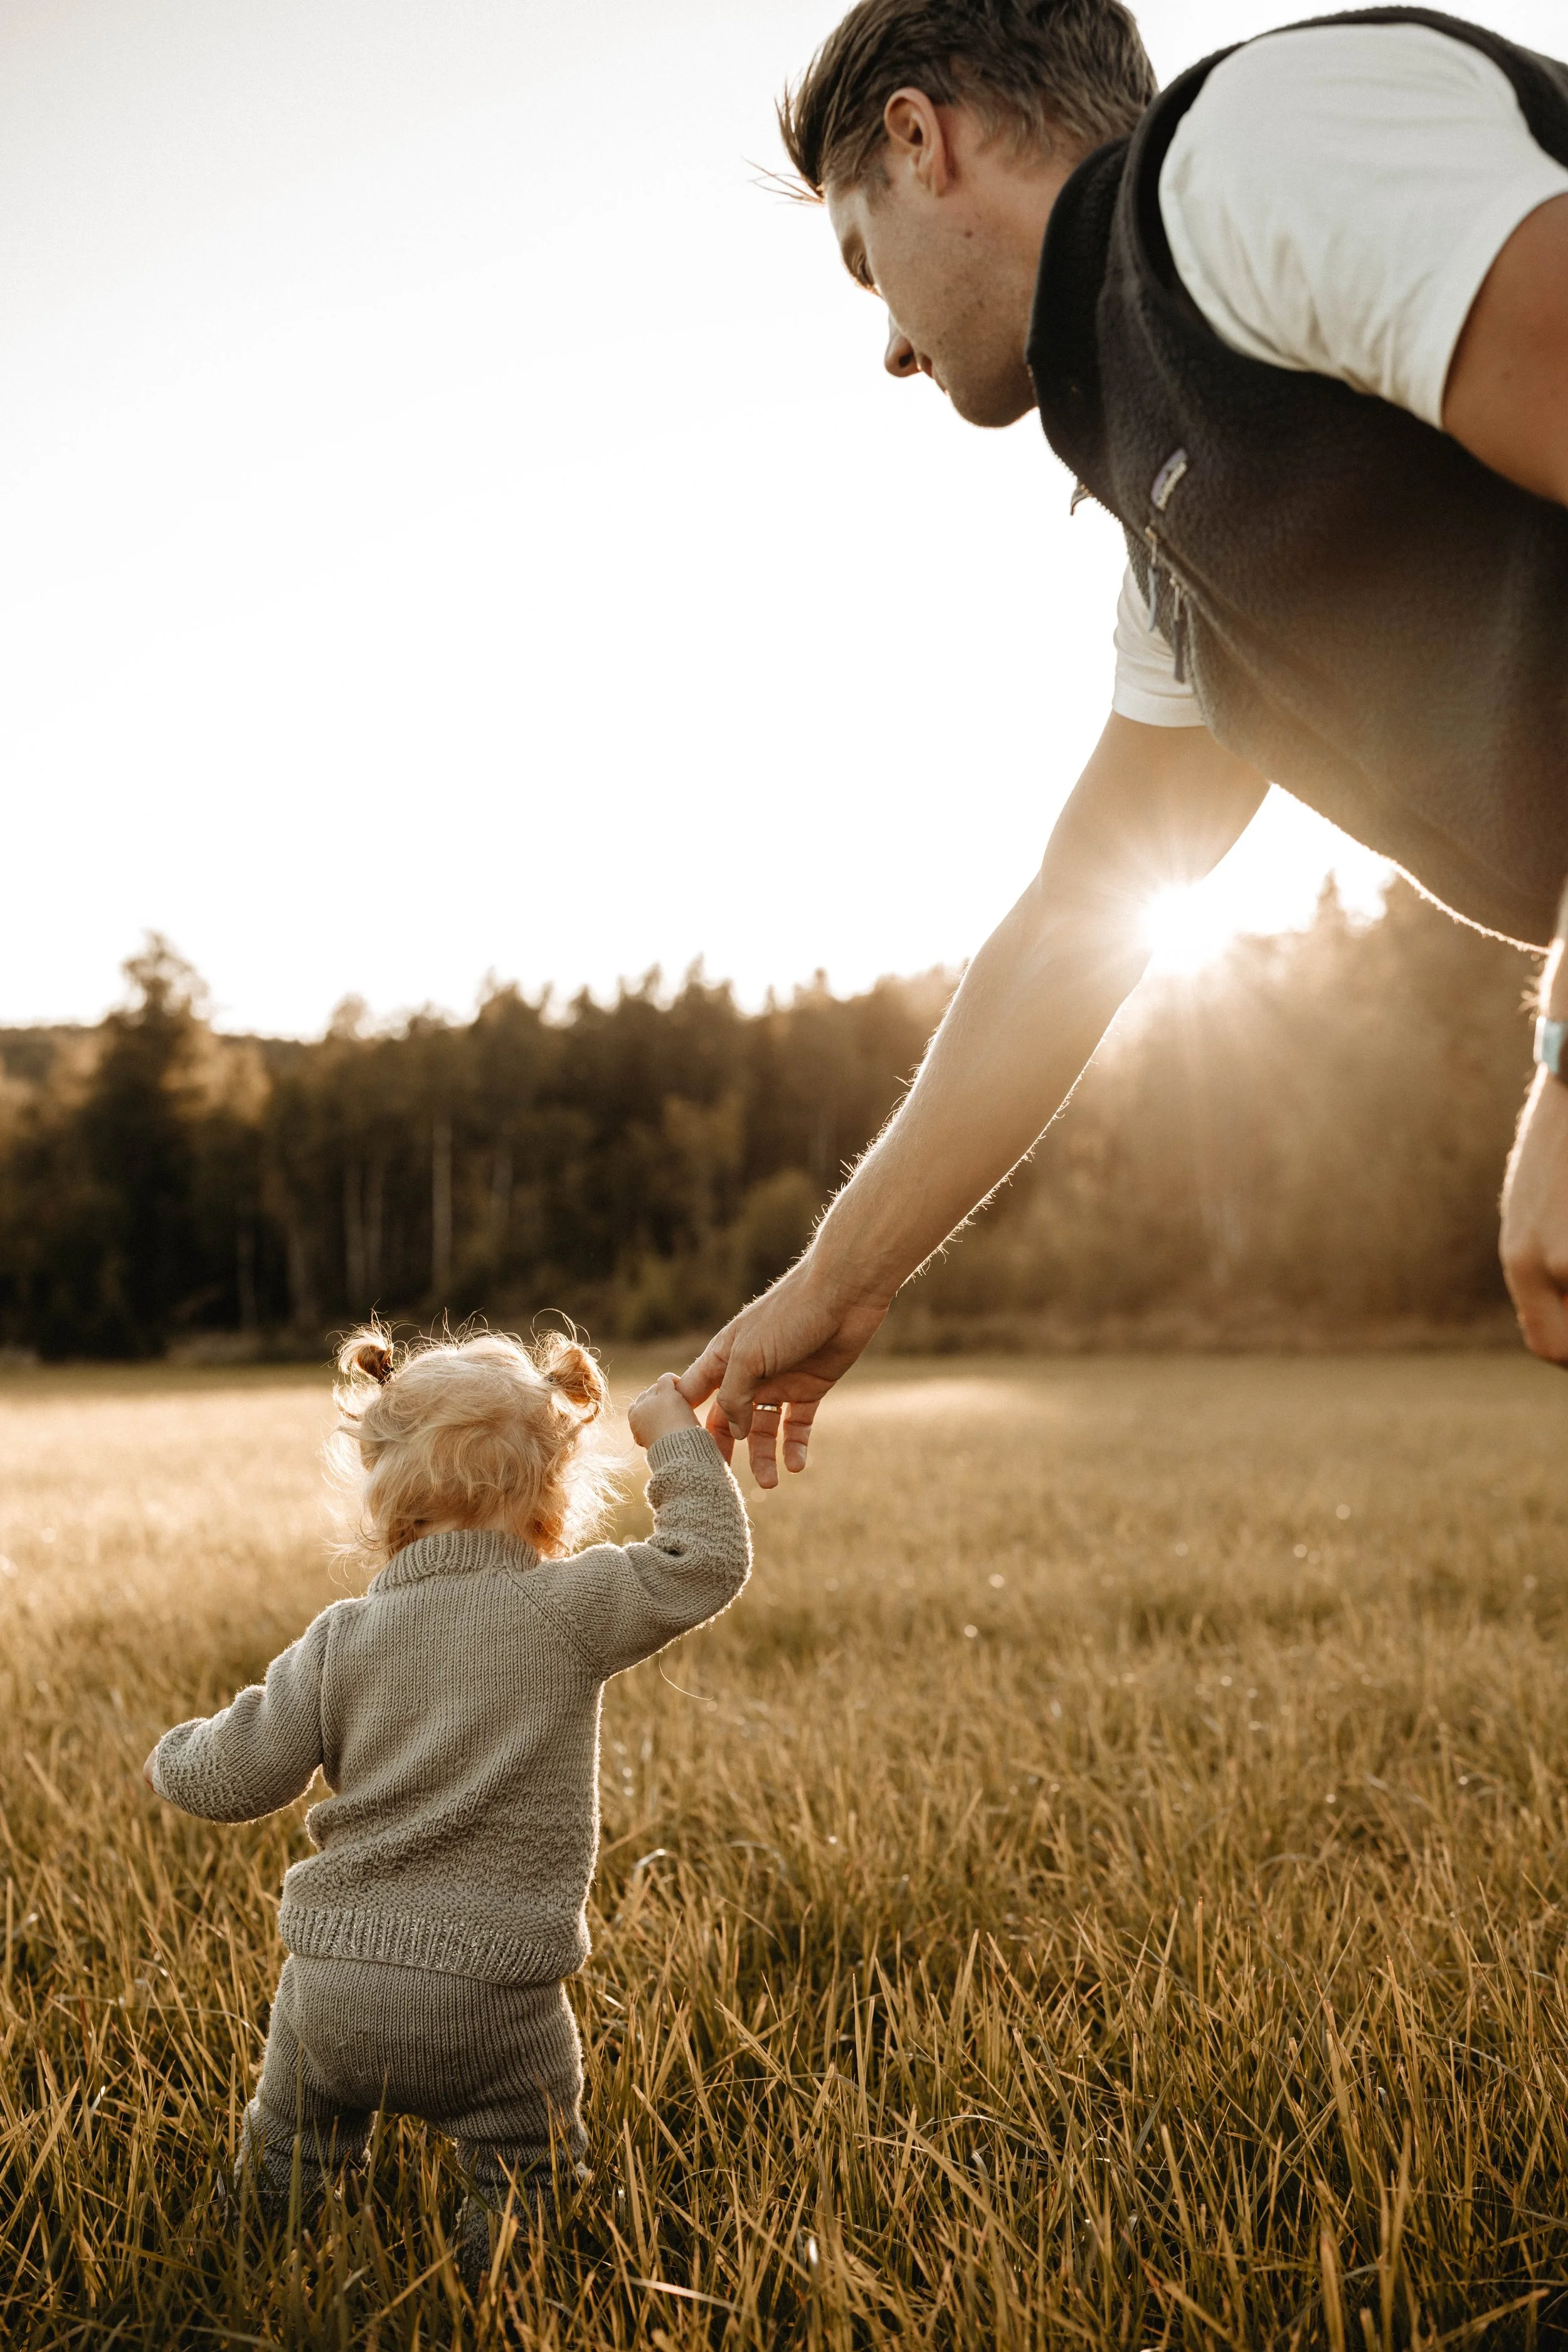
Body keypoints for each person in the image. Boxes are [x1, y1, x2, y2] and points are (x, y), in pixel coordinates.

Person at [680, 0, 1568, 1485]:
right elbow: (1073, 929)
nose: (889, 343)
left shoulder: (1248, 162)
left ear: (920, 139)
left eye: (861, 260)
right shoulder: (1175, 513)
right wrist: (834, 1284)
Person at [143, 1325, 749, 2285]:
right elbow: (705, 1558)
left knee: (288, 2147)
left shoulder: (341, 1637)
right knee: (528, 2168)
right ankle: (496, 2300)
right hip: (495, 1998)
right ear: (555, 1487)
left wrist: (172, 1756)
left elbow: (239, 1774)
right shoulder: (568, 1606)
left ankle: (234, 2270)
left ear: (383, 1489)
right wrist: (675, 1431)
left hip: (332, 1986)